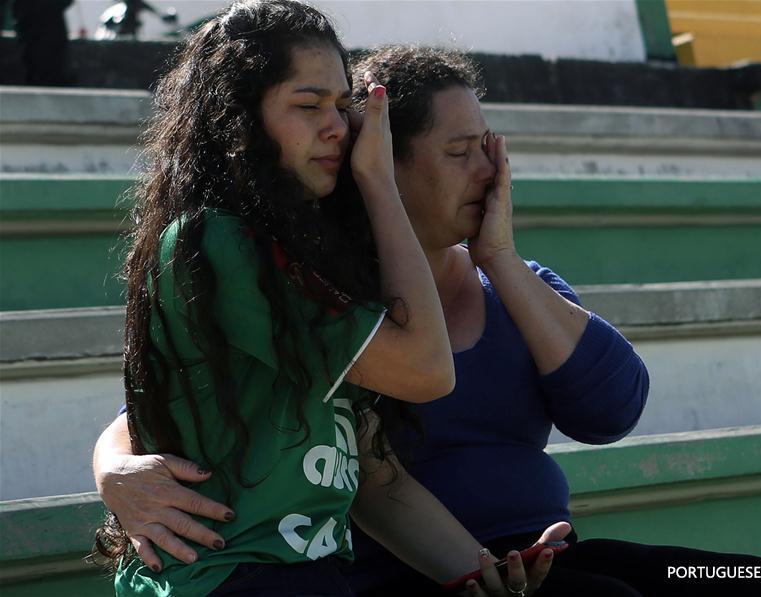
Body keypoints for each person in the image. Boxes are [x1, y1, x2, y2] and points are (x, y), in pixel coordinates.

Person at [94, 40, 761, 596]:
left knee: (751, 582)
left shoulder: (513, 283)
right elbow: (178, 398)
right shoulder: (310, 284)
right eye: (461, 152)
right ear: (383, 165)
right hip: (393, 573)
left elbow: (612, 410)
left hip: (534, 554)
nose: (488, 170)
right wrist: (111, 467)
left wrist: (502, 259)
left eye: (489, 146)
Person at [92, 3, 568, 596]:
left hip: (308, 575)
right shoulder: (215, 240)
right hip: (232, 577)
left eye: (344, 107)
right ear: (236, 119)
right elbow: (427, 369)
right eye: (307, 105)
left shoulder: (295, 256)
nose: (338, 127)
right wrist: (379, 183)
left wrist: (482, 573)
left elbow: (372, 471)